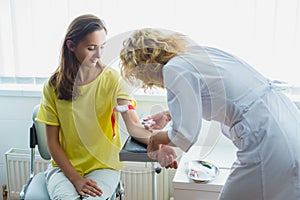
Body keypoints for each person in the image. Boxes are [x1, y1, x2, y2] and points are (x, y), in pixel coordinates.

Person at [119, 28, 300, 200]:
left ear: (144, 68)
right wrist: (168, 114)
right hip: (285, 121)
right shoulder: (196, 54)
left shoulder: (174, 69)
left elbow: (185, 134)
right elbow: (217, 95)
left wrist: (155, 139)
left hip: (267, 141)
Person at [36, 14, 152, 200]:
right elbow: (52, 143)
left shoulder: (113, 80)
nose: (99, 55)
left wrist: (162, 143)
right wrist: (75, 179)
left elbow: (133, 126)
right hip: (64, 168)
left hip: (103, 166)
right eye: (91, 48)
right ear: (71, 46)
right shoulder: (53, 86)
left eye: (102, 48)